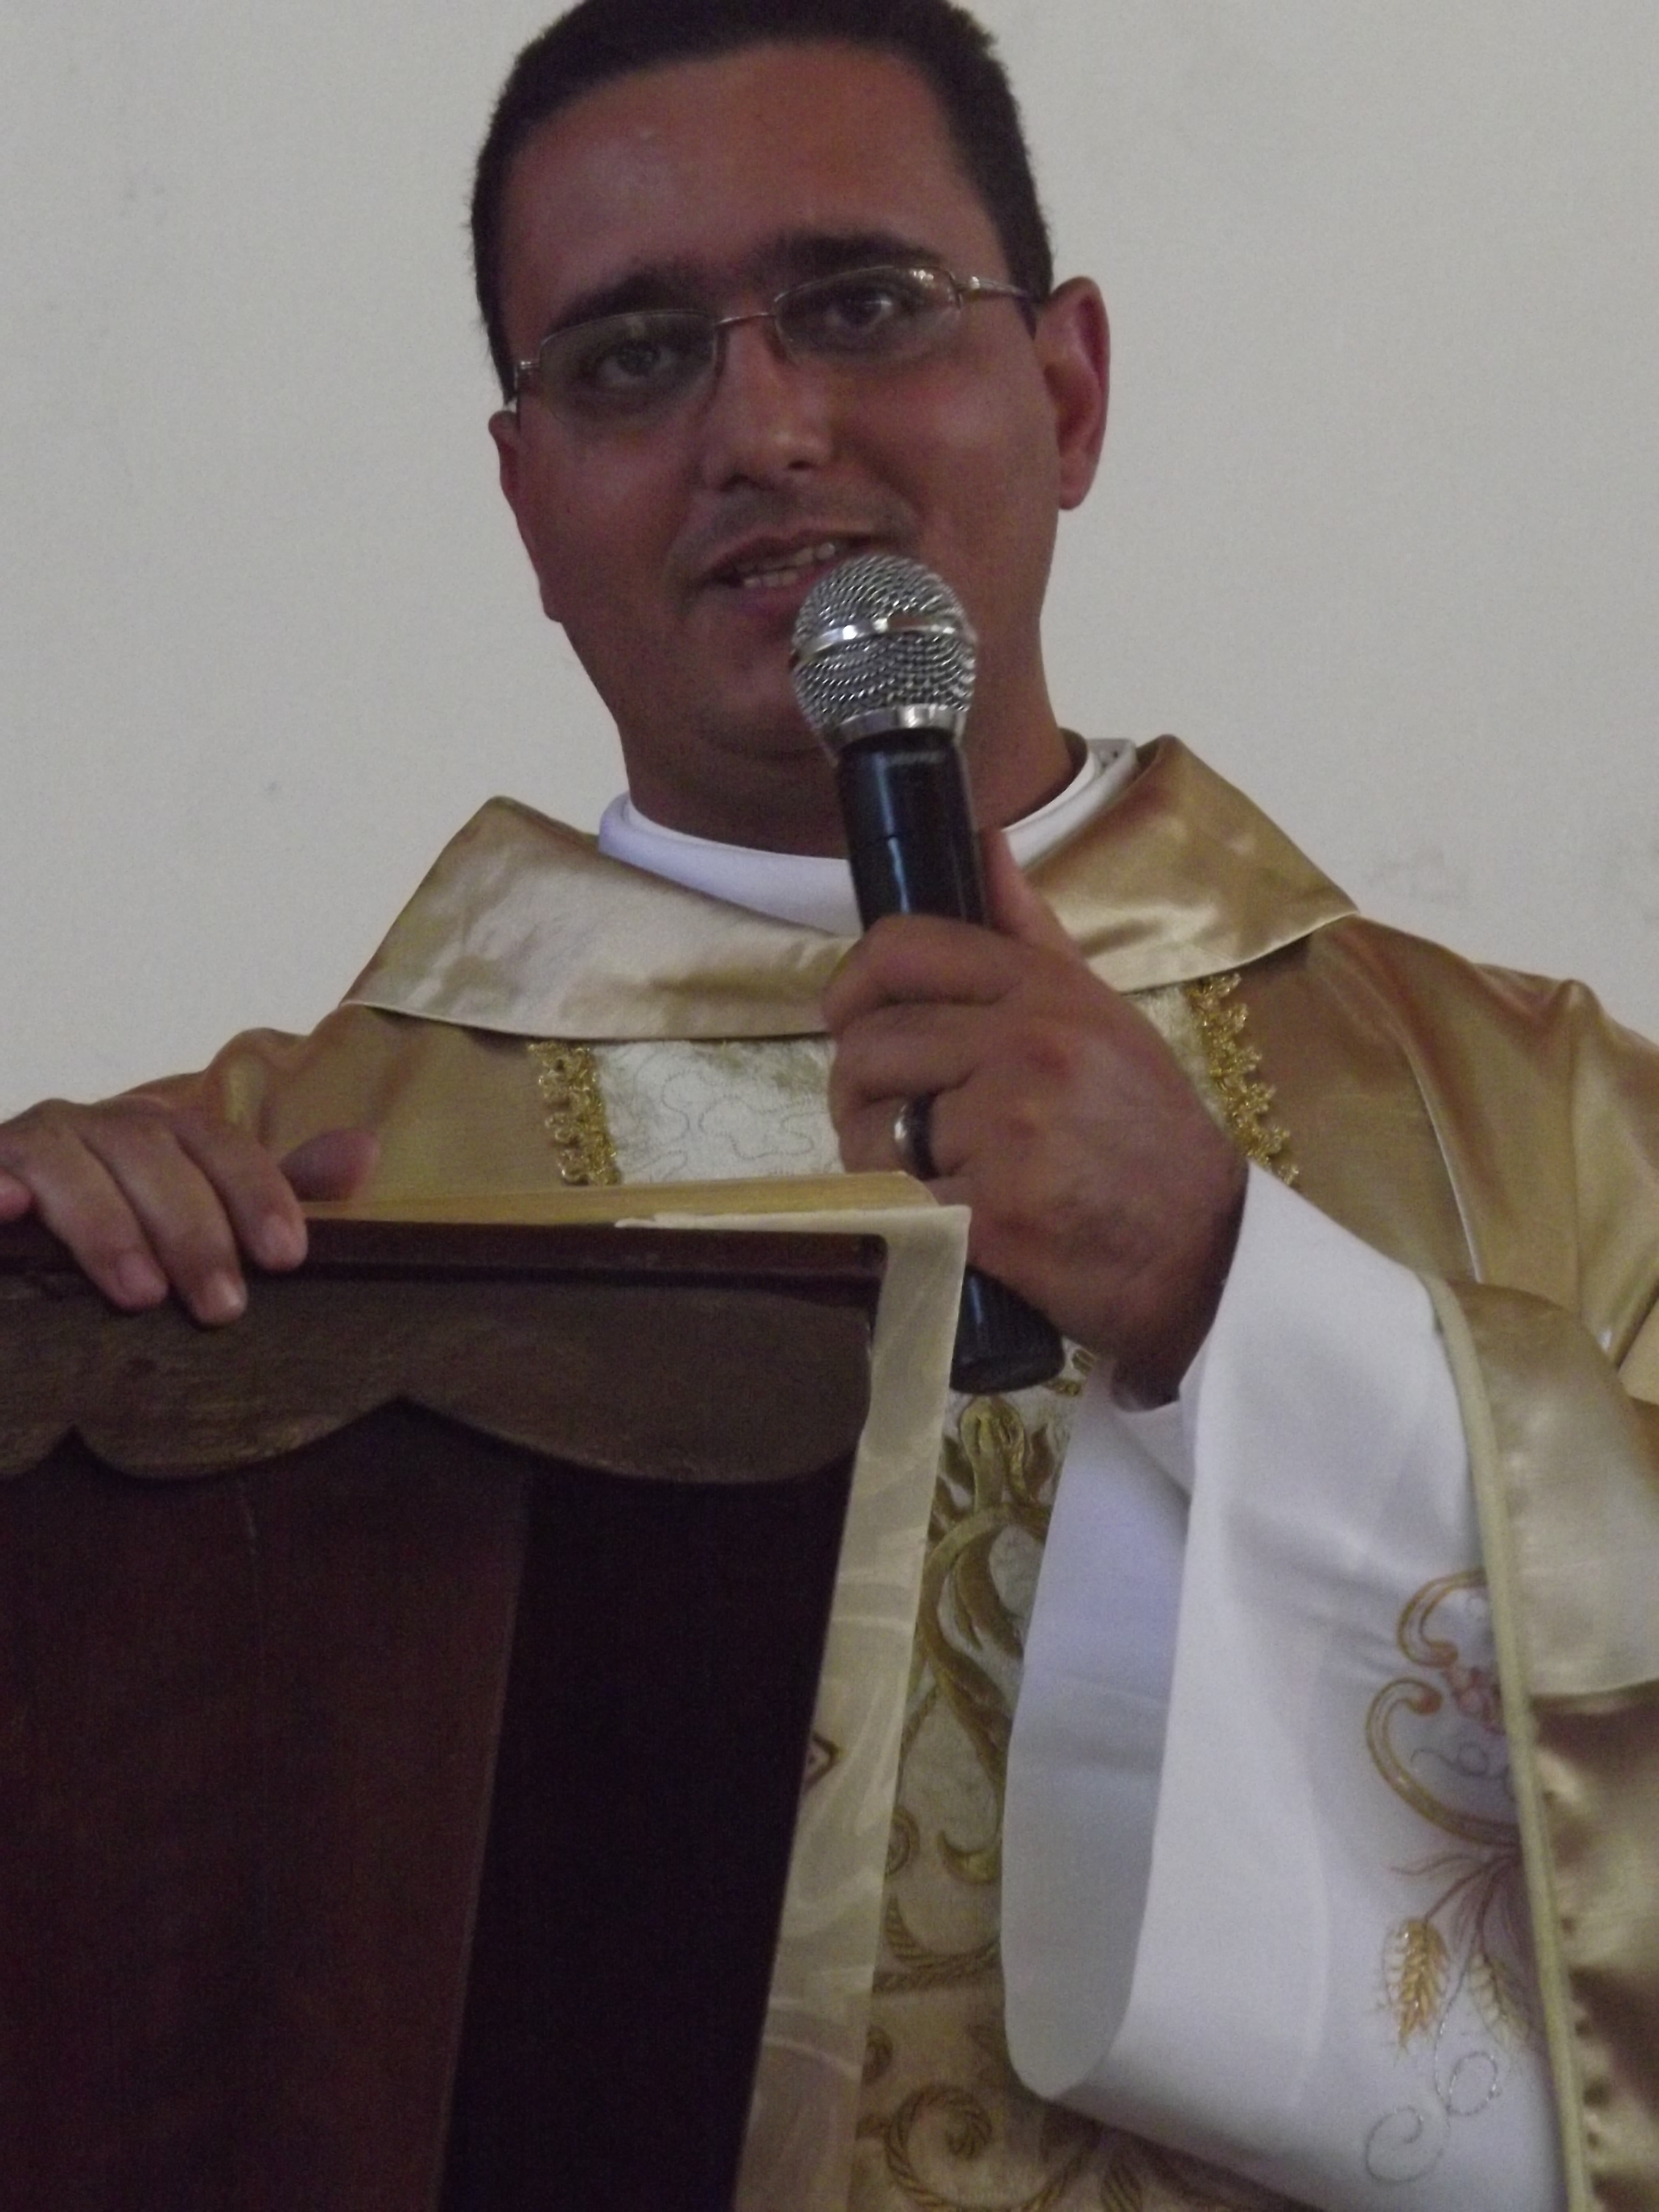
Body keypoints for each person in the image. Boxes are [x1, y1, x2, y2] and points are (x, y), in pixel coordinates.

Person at [3, 2, 1656, 2205]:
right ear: (525, 500)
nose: (765, 429)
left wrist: (1234, 1293)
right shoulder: (276, 1201)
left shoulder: (1553, 1125)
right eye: (630, 358)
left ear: (1069, 388)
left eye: (863, 305)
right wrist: (41, 1392)